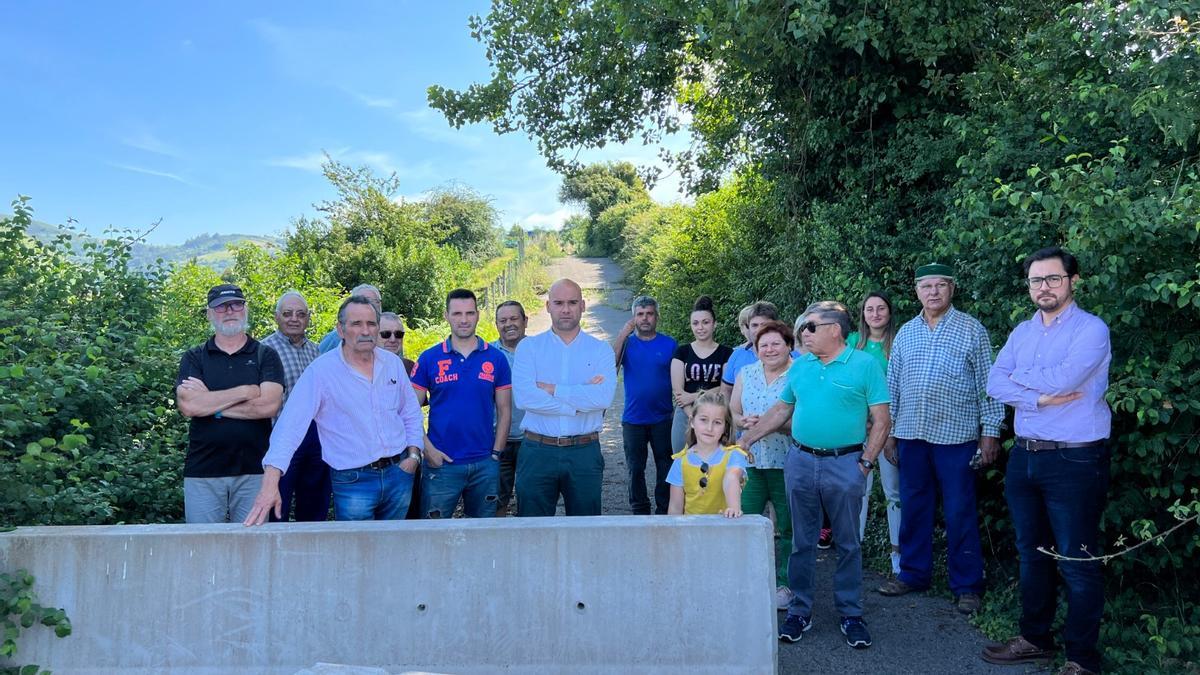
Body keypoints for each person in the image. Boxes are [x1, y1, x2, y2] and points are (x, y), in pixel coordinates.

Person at [982, 247, 1111, 675]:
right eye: (1037, 280)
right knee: (1031, 554)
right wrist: (1038, 397)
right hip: (1025, 457)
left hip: (1075, 460)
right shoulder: (1022, 332)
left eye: (1053, 278)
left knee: (1077, 558)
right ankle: (1034, 638)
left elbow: (1064, 380)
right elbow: (994, 381)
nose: (1044, 287)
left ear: (1073, 280)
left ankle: (1081, 659)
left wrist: (1023, 385)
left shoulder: (1091, 330)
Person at [739, 301, 889, 649]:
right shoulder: (802, 367)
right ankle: (799, 611)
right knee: (802, 541)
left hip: (846, 463)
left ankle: (851, 614)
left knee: (848, 543)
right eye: (803, 328)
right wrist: (747, 438)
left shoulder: (864, 365)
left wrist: (866, 463)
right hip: (801, 462)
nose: (803, 333)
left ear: (835, 330)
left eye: (810, 327)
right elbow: (781, 409)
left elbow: (881, 420)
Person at [877, 263, 1004, 616]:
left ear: (952, 288)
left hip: (956, 437)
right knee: (914, 507)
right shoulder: (905, 332)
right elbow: (893, 387)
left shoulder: (971, 330)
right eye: (926, 286)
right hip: (911, 435)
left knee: (959, 510)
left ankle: (967, 586)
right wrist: (888, 433)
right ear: (916, 291)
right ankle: (913, 574)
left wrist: (990, 431)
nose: (933, 292)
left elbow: (988, 385)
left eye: (940, 285)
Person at [243, 295, 424, 524]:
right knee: (356, 552)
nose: (365, 331)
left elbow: (410, 412)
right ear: (340, 329)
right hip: (353, 481)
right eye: (356, 324)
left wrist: (413, 456)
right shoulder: (321, 372)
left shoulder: (392, 364)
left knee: (391, 548)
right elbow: (290, 425)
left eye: (371, 324)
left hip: (399, 474)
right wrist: (270, 482)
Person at [176, 284, 284, 523]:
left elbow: (267, 407)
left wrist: (212, 404)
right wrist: (246, 391)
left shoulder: (265, 355)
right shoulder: (194, 357)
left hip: (255, 471)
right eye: (221, 306)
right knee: (202, 548)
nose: (229, 311)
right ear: (209, 314)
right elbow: (189, 406)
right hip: (203, 471)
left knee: (252, 549)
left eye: (236, 304)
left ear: (245, 309)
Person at [511, 278, 616, 517]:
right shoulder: (529, 348)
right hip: (538, 450)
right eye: (559, 303)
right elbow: (525, 399)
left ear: (583, 305)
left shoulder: (600, 350)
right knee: (532, 527)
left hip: (584, 452)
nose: (566, 309)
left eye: (572, 302)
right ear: (548, 306)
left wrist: (553, 389)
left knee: (585, 528)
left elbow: (603, 399)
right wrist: (577, 403)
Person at [410, 289, 512, 519]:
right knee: (433, 534)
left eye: (469, 313)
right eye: (457, 313)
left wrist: (496, 453)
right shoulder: (429, 358)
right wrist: (428, 450)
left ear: (478, 315)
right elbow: (408, 410)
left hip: (484, 464)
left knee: (482, 534)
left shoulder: (495, 358)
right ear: (446, 315)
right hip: (441, 464)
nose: (463, 319)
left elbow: (505, 410)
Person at [730, 319, 795, 608]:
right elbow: (732, 410)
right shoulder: (746, 372)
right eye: (763, 344)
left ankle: (786, 584)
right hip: (752, 462)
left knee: (789, 528)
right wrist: (742, 421)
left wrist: (773, 424)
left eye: (775, 343)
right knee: (744, 521)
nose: (769, 349)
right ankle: (747, 578)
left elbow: (803, 420)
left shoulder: (799, 374)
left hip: (788, 462)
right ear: (755, 349)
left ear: (789, 346)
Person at [261, 291, 330, 522]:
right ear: (276, 317)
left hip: (316, 439)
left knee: (314, 505)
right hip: (280, 438)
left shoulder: (316, 351)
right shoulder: (264, 351)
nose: (294, 319)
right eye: (287, 313)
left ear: (308, 318)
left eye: (300, 314)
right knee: (276, 505)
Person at [846, 291, 901, 575]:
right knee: (859, 488)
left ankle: (897, 555)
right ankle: (854, 550)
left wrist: (886, 426)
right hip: (859, 428)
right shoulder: (854, 343)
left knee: (893, 491)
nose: (876, 314)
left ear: (889, 313)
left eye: (881, 308)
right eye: (870, 309)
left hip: (891, 427)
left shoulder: (899, 342)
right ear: (863, 314)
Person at [613, 295, 677, 514]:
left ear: (656, 317)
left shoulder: (669, 344)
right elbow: (611, 366)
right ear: (633, 318)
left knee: (665, 465)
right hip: (633, 418)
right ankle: (639, 509)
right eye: (640, 314)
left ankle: (664, 508)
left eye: (649, 313)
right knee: (635, 468)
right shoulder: (627, 343)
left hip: (663, 417)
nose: (645, 318)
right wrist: (623, 333)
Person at [667, 390, 747, 517]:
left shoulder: (734, 455)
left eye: (717, 422)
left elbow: (731, 477)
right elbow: (675, 508)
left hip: (725, 530)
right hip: (691, 533)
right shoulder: (680, 462)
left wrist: (733, 508)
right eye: (703, 420)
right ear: (692, 422)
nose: (709, 428)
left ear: (725, 427)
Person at [669, 295, 733, 453]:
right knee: (682, 460)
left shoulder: (726, 353)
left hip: (716, 415)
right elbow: (678, 393)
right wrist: (694, 418)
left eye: (706, 322)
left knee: (716, 464)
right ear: (691, 326)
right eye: (695, 323)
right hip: (686, 413)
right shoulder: (682, 352)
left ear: (714, 324)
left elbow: (725, 388)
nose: (701, 327)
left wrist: (692, 396)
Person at [378, 311, 420, 519]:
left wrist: (415, 455)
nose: (392, 339)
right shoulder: (355, 368)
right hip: (366, 465)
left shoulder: (410, 367)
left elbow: (415, 415)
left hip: (404, 457)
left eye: (398, 334)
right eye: (385, 334)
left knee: (406, 519)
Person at [491, 300, 529, 516]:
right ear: (496, 325)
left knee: (530, 498)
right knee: (497, 500)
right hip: (497, 440)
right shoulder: (487, 354)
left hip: (531, 440)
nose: (509, 324)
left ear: (525, 321)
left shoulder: (538, 351)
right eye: (503, 320)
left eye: (514, 319)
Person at [720, 301, 782, 401]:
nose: (759, 330)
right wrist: (731, 416)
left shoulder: (793, 357)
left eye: (764, 324)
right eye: (754, 325)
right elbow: (726, 391)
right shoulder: (737, 355)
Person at [318, 284, 382, 354]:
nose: (367, 306)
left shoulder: (392, 333)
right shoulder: (335, 338)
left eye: (372, 301)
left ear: (380, 305)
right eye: (360, 301)